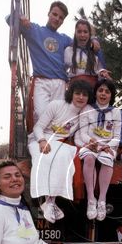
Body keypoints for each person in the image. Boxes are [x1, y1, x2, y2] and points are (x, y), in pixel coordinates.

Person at [6, 1, 100, 127]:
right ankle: (39, 143)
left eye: (61, 18)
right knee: (42, 115)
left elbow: (82, 41)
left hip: (60, 82)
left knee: (58, 118)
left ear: (62, 21)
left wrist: (94, 39)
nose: (57, 19)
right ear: (48, 13)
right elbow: (8, 19)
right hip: (41, 81)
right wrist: (20, 17)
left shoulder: (64, 38)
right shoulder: (34, 30)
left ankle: (52, 144)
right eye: (54, 14)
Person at [28, 80, 92, 223]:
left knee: (64, 155)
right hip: (40, 139)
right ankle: (46, 201)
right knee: (45, 157)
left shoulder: (84, 113)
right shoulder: (56, 105)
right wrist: (42, 141)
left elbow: (82, 135)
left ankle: (51, 202)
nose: (81, 97)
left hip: (60, 143)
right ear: (71, 94)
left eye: (84, 95)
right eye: (77, 93)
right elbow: (38, 127)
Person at [74, 78, 121, 220]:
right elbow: (83, 132)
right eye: (100, 90)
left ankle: (102, 199)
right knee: (89, 157)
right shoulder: (87, 109)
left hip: (107, 146)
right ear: (95, 93)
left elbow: (117, 136)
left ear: (111, 95)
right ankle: (91, 199)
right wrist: (91, 142)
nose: (103, 94)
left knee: (107, 159)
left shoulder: (116, 112)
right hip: (90, 144)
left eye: (107, 91)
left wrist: (108, 146)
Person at [64, 19, 111, 88]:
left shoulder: (95, 51)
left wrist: (102, 73)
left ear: (90, 35)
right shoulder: (69, 50)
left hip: (92, 88)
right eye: (79, 32)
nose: (82, 35)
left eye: (85, 32)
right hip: (75, 89)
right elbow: (62, 70)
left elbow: (100, 70)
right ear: (75, 33)